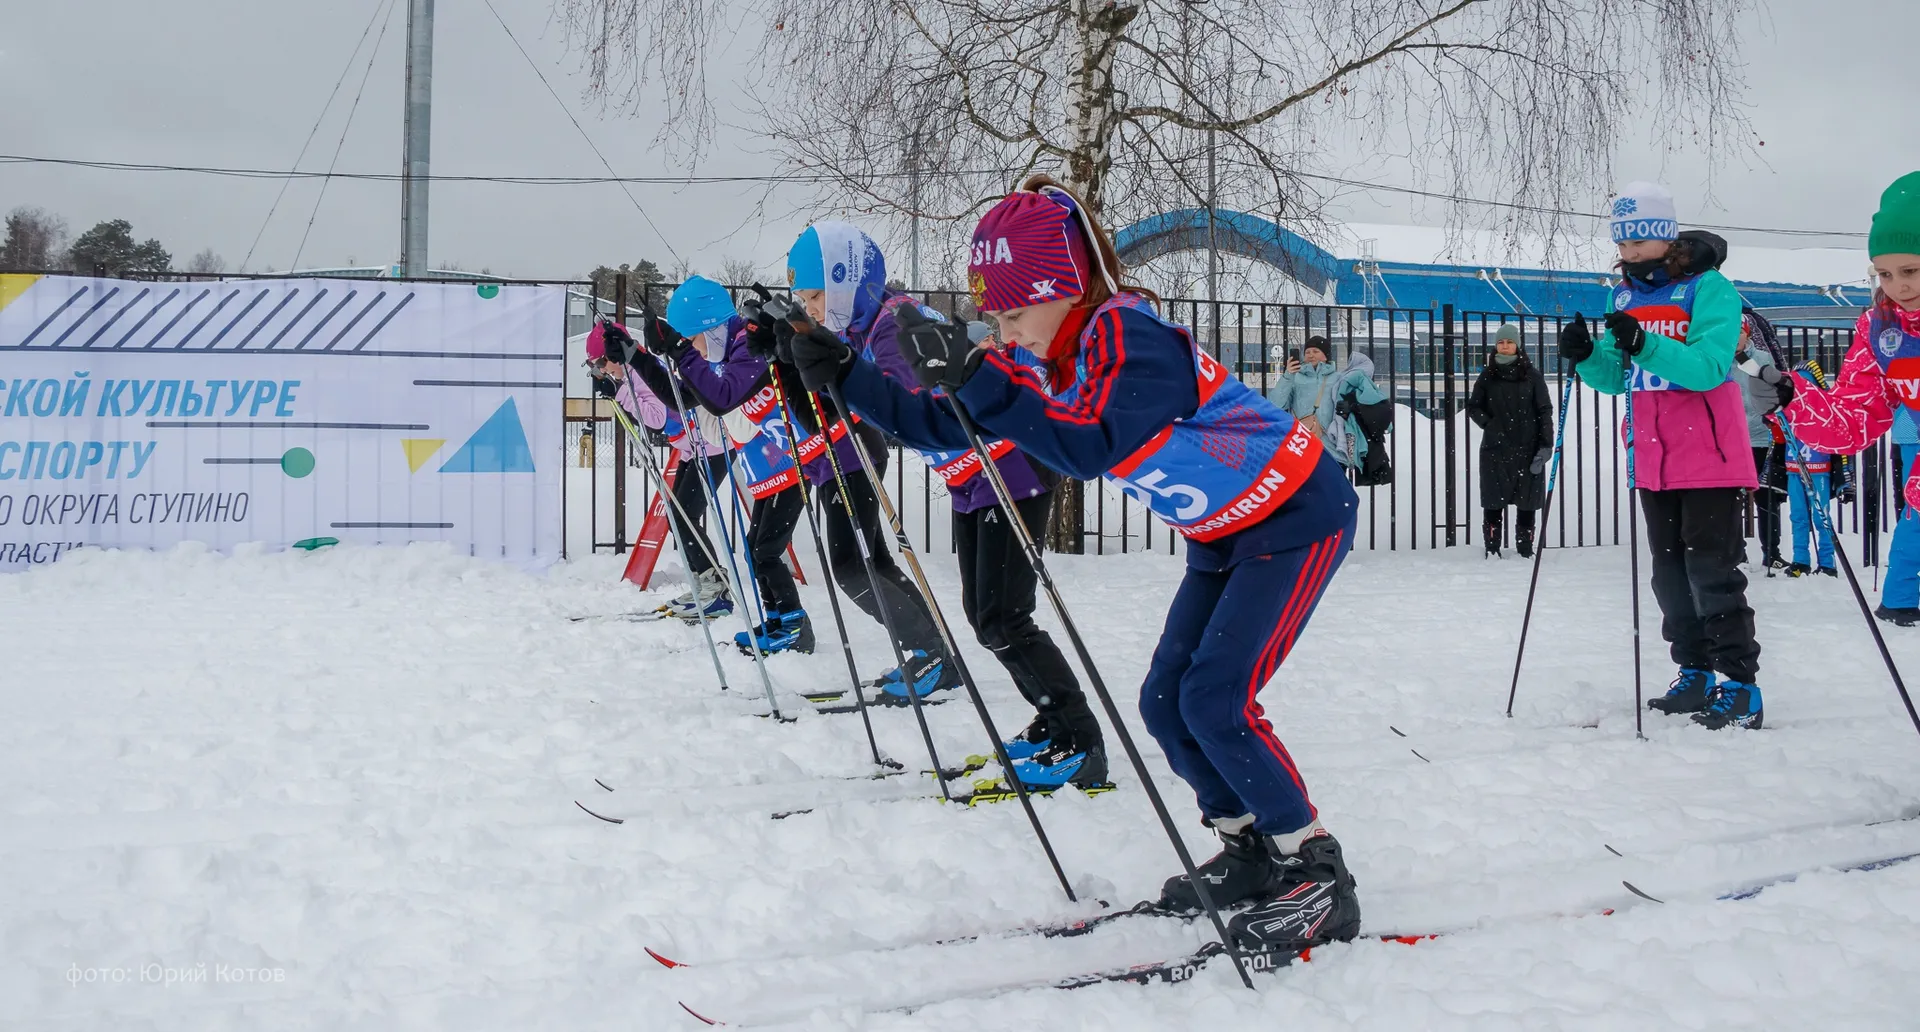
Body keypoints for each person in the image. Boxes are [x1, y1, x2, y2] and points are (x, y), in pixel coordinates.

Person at [791, 175, 1362, 957]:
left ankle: (1315, 871)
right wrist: (844, 376)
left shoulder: (1131, 335)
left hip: (1296, 511)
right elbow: (940, 425)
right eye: (993, 316)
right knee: (1166, 701)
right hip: (1225, 532)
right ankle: (1248, 850)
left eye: (1014, 311)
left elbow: (1092, 447)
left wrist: (979, 376)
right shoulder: (1042, 354)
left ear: (1061, 288)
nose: (1006, 330)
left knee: (1216, 698)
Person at [1558, 181, 1763, 730]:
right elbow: (1614, 376)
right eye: (1620, 242)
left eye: (1635, 242)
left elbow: (1708, 368)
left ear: (1661, 238)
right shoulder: (1621, 294)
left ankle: (1738, 683)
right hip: (1652, 454)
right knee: (1669, 572)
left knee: (1711, 570)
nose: (1625, 253)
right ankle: (1693, 669)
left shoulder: (1708, 287)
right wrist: (1584, 357)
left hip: (1709, 452)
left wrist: (1644, 342)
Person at [1768, 172, 1920, 627]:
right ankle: (1900, 602)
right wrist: (1800, 397)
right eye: (1885, 273)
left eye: (1910, 270)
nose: (1898, 286)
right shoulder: (1881, 327)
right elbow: (1851, 422)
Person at [588, 318, 734, 621]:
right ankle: (703, 583)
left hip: (711, 447)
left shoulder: (638, 373)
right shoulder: (630, 374)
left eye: (601, 363)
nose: (602, 370)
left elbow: (656, 417)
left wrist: (619, 393)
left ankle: (715, 588)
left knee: (685, 517)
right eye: (596, 366)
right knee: (677, 515)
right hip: (691, 448)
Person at [1465, 323, 1552, 558]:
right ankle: (1492, 549)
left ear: (1518, 345)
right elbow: (1473, 407)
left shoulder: (1532, 376)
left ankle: (1525, 549)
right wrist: (1490, 425)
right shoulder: (1488, 376)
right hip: (1496, 449)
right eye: (1501, 342)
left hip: (1528, 447)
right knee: (1493, 500)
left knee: (1527, 501)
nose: (1505, 346)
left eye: (1509, 342)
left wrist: (1546, 445)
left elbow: (1545, 410)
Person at [1266, 336, 1378, 470]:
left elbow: (1357, 402)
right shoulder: (1294, 378)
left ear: (1325, 356)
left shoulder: (1338, 378)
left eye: (1315, 351)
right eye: (1307, 352)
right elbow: (1275, 404)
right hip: (1302, 448)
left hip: (1333, 449)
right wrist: (1288, 376)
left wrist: (1350, 408)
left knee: (1333, 491)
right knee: (1304, 490)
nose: (1311, 355)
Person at [1737, 317, 1788, 575]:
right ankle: (1736, 553)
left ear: (1747, 333)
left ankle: (1772, 553)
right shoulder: (1717, 358)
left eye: (1738, 331)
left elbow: (1776, 390)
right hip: (1731, 439)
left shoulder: (1761, 358)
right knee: (1729, 500)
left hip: (1760, 436)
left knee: (1767, 498)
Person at [1781, 436, 1837, 577]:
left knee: (1821, 517)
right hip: (1793, 465)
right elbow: (1778, 435)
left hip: (1819, 464)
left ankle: (1827, 563)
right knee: (1798, 516)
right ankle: (1800, 560)